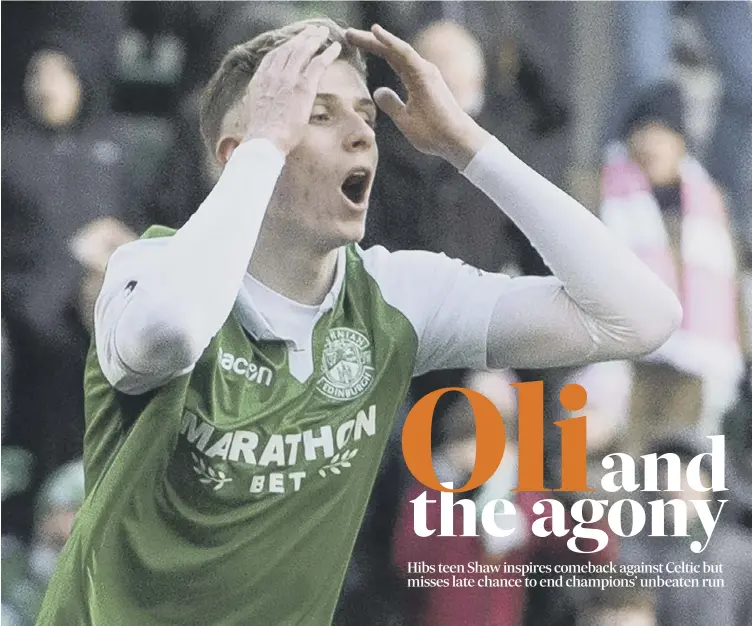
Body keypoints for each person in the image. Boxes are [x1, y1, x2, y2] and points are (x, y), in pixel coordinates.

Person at [37, 18, 681, 625]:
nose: (362, 132)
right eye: (315, 115)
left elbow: (641, 318)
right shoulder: (144, 269)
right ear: (238, 154)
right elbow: (175, 328)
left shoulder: (397, 294)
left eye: (366, 115)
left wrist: (471, 146)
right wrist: (264, 146)